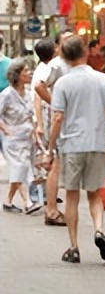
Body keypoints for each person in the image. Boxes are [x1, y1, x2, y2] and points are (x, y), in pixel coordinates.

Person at [46, 35, 105, 264]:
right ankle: (99, 229)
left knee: (72, 195)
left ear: (64, 56)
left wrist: (49, 149)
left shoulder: (62, 83)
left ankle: (73, 246)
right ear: (85, 52)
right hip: (97, 143)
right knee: (94, 193)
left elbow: (57, 118)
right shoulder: (102, 80)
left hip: (71, 145)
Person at [31, 38, 66, 226]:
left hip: (50, 120)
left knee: (52, 162)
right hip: (50, 120)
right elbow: (38, 94)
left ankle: (50, 203)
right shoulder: (49, 68)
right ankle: (50, 208)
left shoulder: (48, 67)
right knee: (53, 162)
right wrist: (40, 124)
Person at [0, 59, 41, 214]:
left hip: (27, 136)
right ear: (17, 75)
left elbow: (31, 115)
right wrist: (5, 129)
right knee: (19, 167)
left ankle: (8, 200)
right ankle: (28, 202)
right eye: (25, 71)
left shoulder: (29, 92)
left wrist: (35, 132)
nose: (28, 73)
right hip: (12, 137)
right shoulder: (7, 95)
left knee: (22, 168)